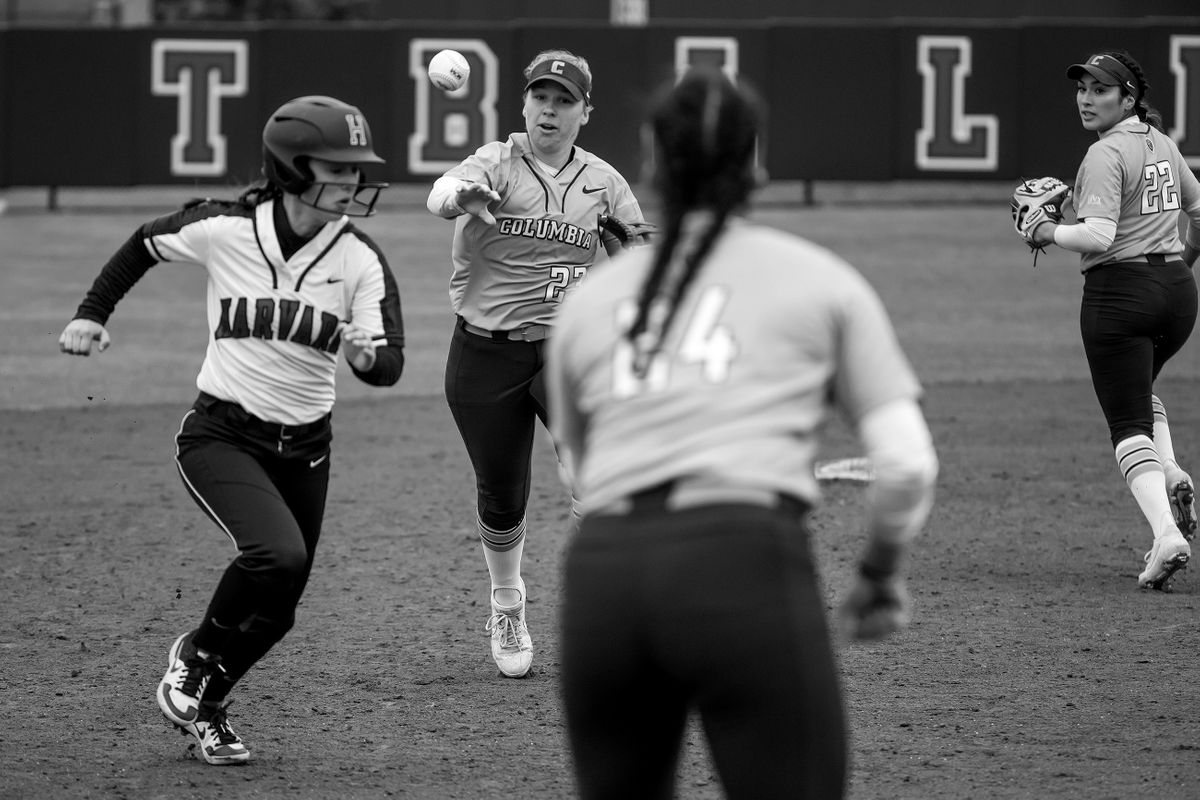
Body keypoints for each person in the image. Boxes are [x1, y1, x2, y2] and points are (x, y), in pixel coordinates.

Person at [545, 68, 939, 799]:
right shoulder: (820, 279)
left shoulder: (588, 300)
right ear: (755, 164)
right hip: (742, 566)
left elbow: (582, 465)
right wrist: (879, 574)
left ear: (651, 163)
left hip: (604, 577)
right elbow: (908, 466)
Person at [58, 95, 406, 764]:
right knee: (278, 556)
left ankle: (209, 709)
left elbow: (389, 361)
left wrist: (368, 358)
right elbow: (144, 244)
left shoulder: (359, 259)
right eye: (339, 167)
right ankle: (194, 654)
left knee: (279, 609)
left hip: (305, 450)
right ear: (292, 167)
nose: (354, 181)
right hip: (221, 435)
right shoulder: (228, 227)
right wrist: (92, 314)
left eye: (358, 168)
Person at [426, 48, 648, 678]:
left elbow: (635, 251)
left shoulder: (605, 182)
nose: (549, 109)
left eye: (564, 100)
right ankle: (507, 601)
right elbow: (442, 194)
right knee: (503, 496)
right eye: (540, 97)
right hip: (485, 356)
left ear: (585, 111)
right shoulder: (496, 162)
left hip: (565, 350)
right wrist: (461, 193)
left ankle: (596, 606)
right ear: (524, 103)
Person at [1026, 50, 1200, 591]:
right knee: (1138, 390)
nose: (1085, 97)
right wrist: (1179, 267)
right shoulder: (1162, 144)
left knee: (1126, 426)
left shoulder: (1106, 153)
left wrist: (1045, 232)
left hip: (1120, 295)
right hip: (1178, 294)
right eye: (1081, 87)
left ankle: (1166, 534)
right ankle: (1170, 470)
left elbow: (1098, 236)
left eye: (1101, 89)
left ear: (1129, 98)